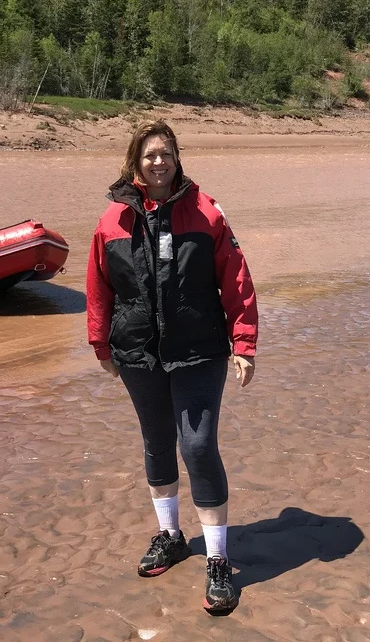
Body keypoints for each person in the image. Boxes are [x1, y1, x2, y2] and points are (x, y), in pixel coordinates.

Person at [86, 120, 258, 614]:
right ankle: (170, 535)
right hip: (138, 353)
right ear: (134, 163)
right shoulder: (111, 221)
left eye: (166, 153)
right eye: (149, 155)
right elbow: (99, 288)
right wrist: (101, 344)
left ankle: (219, 560)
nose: (158, 162)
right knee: (157, 443)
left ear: (177, 158)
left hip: (199, 350)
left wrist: (243, 343)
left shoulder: (207, 214)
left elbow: (237, 280)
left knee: (198, 446)